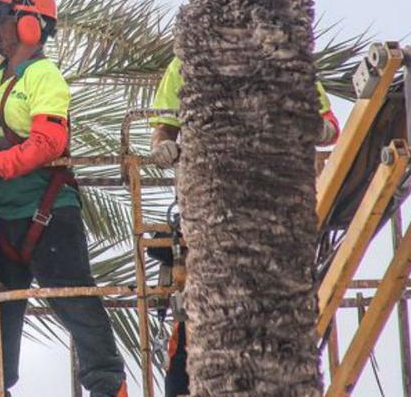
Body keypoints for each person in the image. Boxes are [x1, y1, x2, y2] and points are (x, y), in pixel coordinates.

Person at [0, 0, 127, 397]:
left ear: (30, 26)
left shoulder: (44, 75)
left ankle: (109, 387)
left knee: (74, 299)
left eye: (3, 19)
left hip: (48, 214)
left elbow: (48, 141)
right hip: (1, 215)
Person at [146, 55, 341, 396]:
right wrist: (162, 145)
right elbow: (163, 126)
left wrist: (317, 128)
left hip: (272, 221)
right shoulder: (187, 62)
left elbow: (330, 125)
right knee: (197, 328)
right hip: (210, 219)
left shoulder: (285, 57)